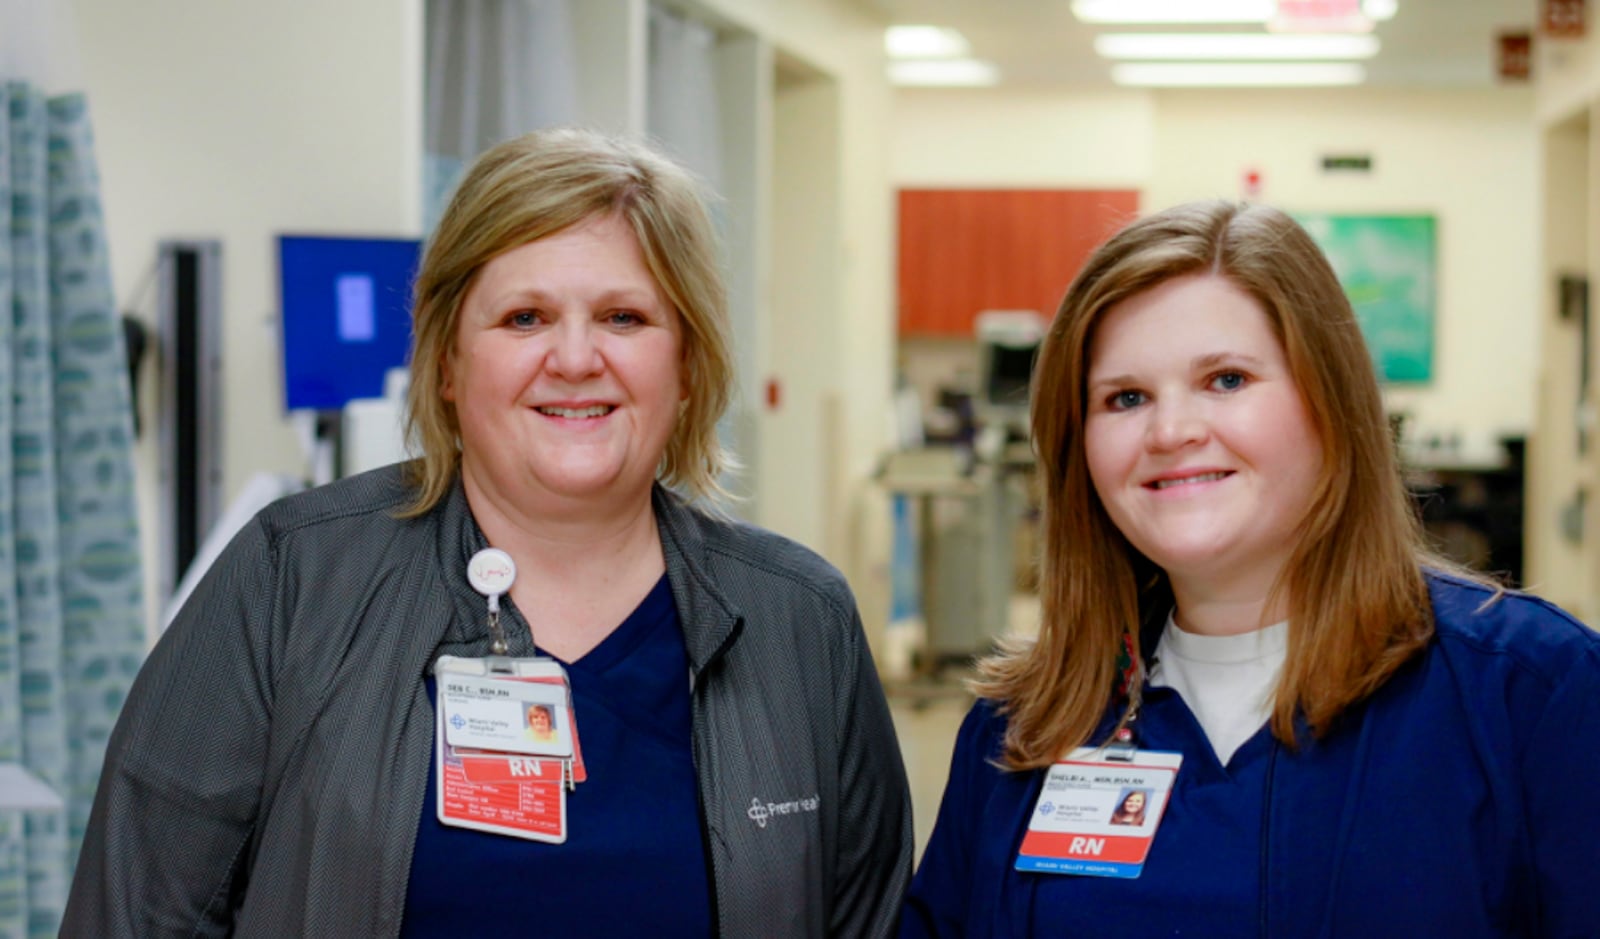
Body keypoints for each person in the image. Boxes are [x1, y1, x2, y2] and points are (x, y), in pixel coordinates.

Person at [64, 127, 912, 938]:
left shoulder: (800, 622)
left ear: (687, 364)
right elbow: (138, 911)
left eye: (623, 317)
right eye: (524, 318)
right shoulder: (293, 579)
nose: (576, 358)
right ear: (445, 362)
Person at [902, 200, 1600, 937]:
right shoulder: (1020, 729)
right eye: (1126, 397)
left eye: (1227, 379)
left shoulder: (1531, 695)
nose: (1171, 431)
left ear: (1329, 403)